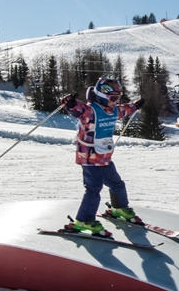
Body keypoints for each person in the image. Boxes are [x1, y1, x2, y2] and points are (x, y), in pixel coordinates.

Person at [61, 77, 145, 235]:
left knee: (117, 184)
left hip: (104, 157)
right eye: (113, 98)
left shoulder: (113, 110)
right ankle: (84, 220)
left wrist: (135, 105)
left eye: (118, 98)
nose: (115, 101)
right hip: (89, 156)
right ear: (101, 95)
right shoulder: (91, 111)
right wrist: (70, 104)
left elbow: (124, 110)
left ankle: (119, 209)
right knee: (94, 188)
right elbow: (78, 110)